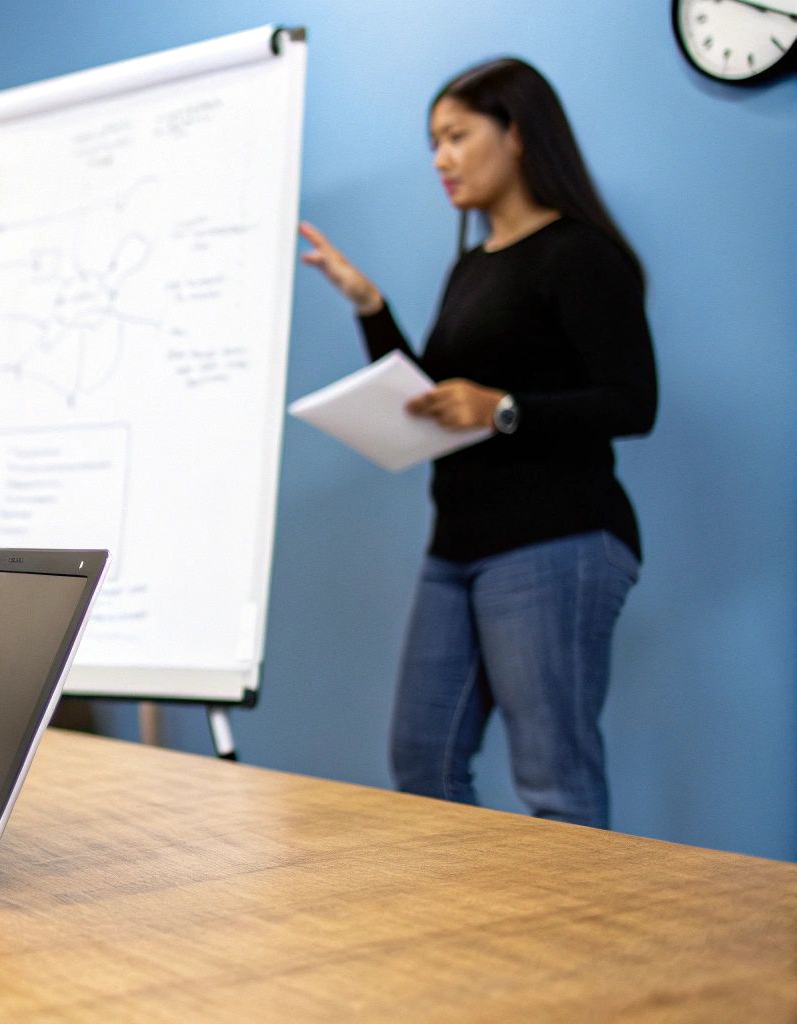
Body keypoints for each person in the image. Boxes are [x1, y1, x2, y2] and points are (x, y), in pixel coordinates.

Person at [298, 58, 656, 829]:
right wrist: (370, 306)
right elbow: (439, 396)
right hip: (458, 544)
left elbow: (634, 403)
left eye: (457, 136)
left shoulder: (582, 254)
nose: (441, 160)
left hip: (558, 538)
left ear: (518, 134)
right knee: (423, 761)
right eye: (433, 143)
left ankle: (578, 949)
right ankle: (480, 946)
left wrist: (503, 411)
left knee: (554, 779)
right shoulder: (471, 265)